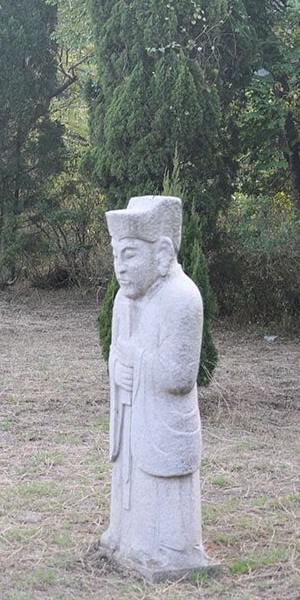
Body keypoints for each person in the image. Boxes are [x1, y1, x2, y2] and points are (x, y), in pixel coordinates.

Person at [100, 195, 216, 580]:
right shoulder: (123, 300)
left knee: (164, 502)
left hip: (163, 424)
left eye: (130, 255)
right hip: (132, 414)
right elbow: (116, 353)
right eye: (116, 255)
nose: (120, 267)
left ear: (162, 252)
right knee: (128, 477)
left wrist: (137, 362)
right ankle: (126, 535)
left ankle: (168, 549)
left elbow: (180, 377)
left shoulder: (182, 299)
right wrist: (119, 370)